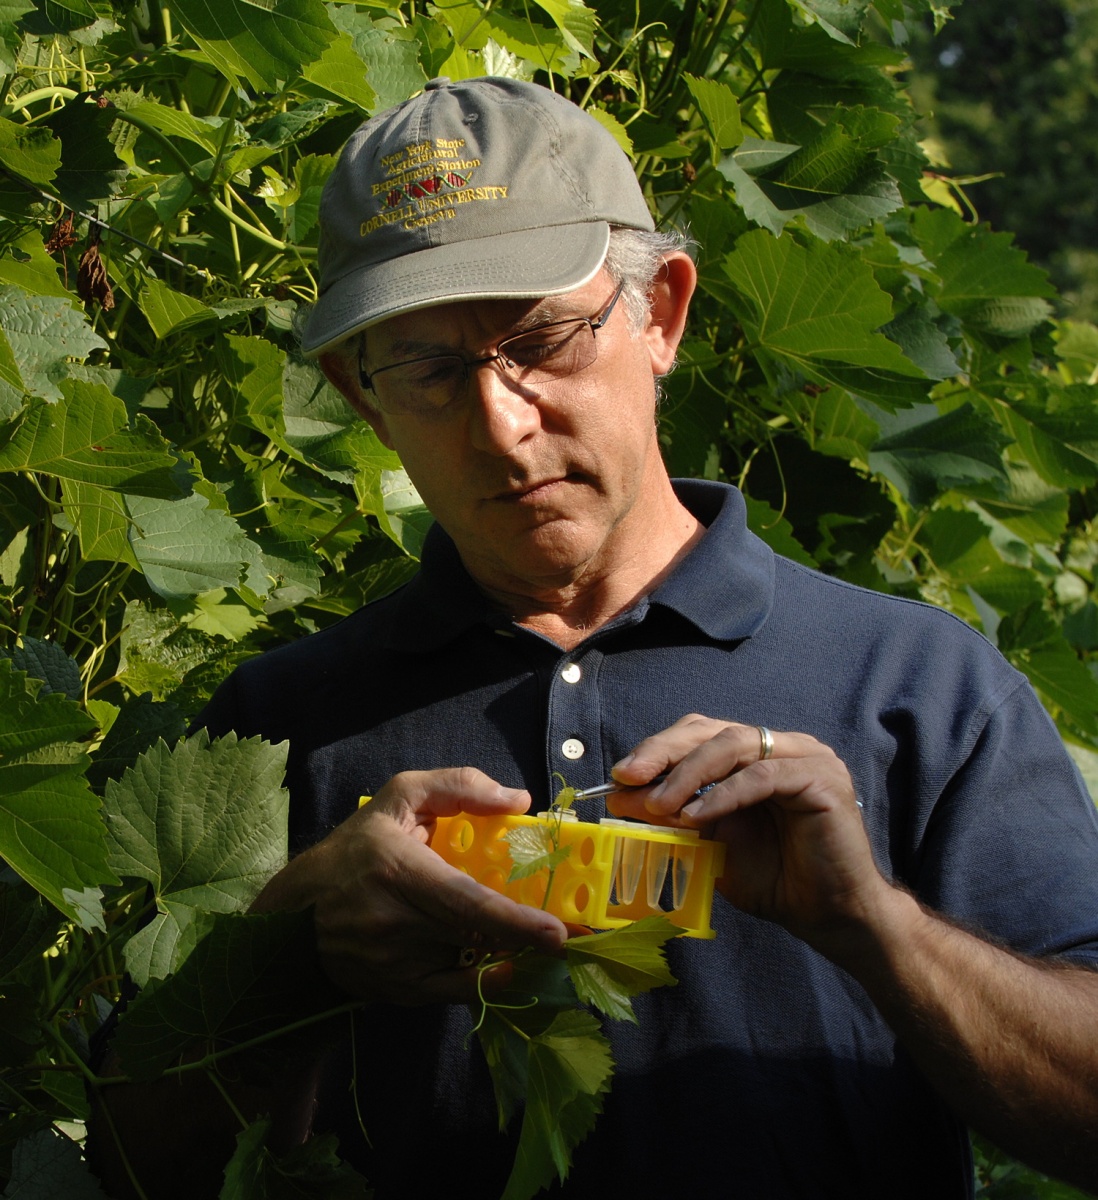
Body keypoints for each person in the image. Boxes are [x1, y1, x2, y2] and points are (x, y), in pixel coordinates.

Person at [95, 76, 1098, 1199]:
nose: (501, 423)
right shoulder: (281, 722)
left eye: (543, 338)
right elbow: (135, 1167)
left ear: (660, 313)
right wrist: (290, 949)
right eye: (427, 369)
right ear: (360, 394)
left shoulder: (922, 685)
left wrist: (875, 930)